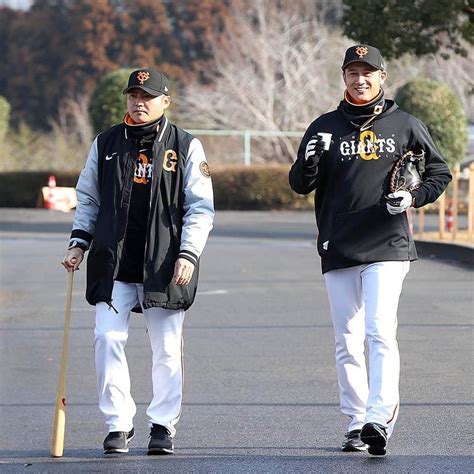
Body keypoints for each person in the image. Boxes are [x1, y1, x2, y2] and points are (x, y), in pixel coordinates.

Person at [289, 45, 451, 456]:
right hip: (339, 243)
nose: (359, 80)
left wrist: (413, 198)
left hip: (388, 242)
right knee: (346, 338)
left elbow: (438, 171)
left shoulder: (405, 124)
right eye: (352, 72)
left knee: (379, 330)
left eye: (367, 72)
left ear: (383, 76)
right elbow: (299, 184)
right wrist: (310, 159)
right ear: (343, 77)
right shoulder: (324, 126)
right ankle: (356, 420)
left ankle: (379, 419)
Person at [62, 68, 214, 455]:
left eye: (147, 96)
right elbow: (90, 198)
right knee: (107, 338)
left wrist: (189, 254)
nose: (139, 102)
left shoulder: (186, 145)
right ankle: (118, 423)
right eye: (133, 95)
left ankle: (162, 425)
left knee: (166, 348)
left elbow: (200, 208)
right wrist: (79, 242)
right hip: (114, 263)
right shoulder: (106, 142)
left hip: (164, 264)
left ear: (165, 101)